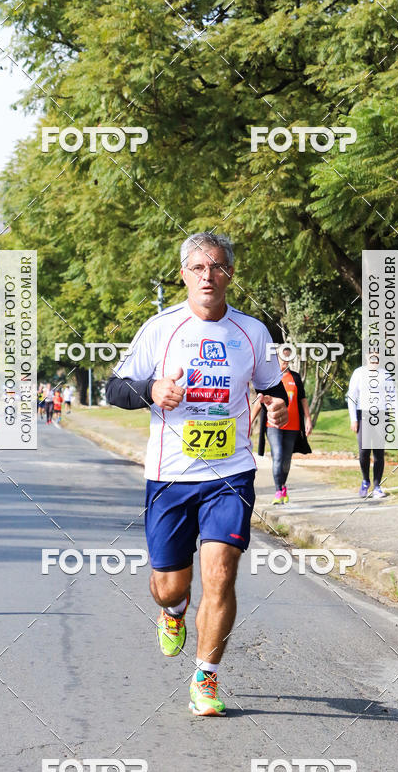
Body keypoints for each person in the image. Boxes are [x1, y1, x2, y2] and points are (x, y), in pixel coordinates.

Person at [106, 232, 288, 717]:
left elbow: (275, 388)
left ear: (230, 273)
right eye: (199, 267)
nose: (209, 276)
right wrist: (151, 389)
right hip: (170, 476)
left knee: (222, 575)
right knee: (170, 584)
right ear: (184, 274)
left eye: (218, 266)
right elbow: (114, 389)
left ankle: (205, 677)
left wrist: (275, 404)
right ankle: (172, 612)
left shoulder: (253, 333)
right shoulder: (160, 329)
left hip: (230, 475)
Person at [252, 348, 312, 504]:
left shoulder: (296, 377)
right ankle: (278, 491)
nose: (285, 360)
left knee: (286, 460)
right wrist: (249, 422)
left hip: (292, 425)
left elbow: (303, 399)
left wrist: (308, 419)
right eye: (282, 357)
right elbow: (260, 401)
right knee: (277, 456)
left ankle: (283, 486)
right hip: (273, 425)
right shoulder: (271, 378)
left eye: (288, 357)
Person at [347, 356, 398, 499]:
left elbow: (393, 398)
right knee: (364, 452)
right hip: (363, 415)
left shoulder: (385, 374)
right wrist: (354, 419)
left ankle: (377, 486)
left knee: (378, 452)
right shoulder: (359, 373)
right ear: (366, 357)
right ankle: (365, 480)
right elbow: (352, 397)